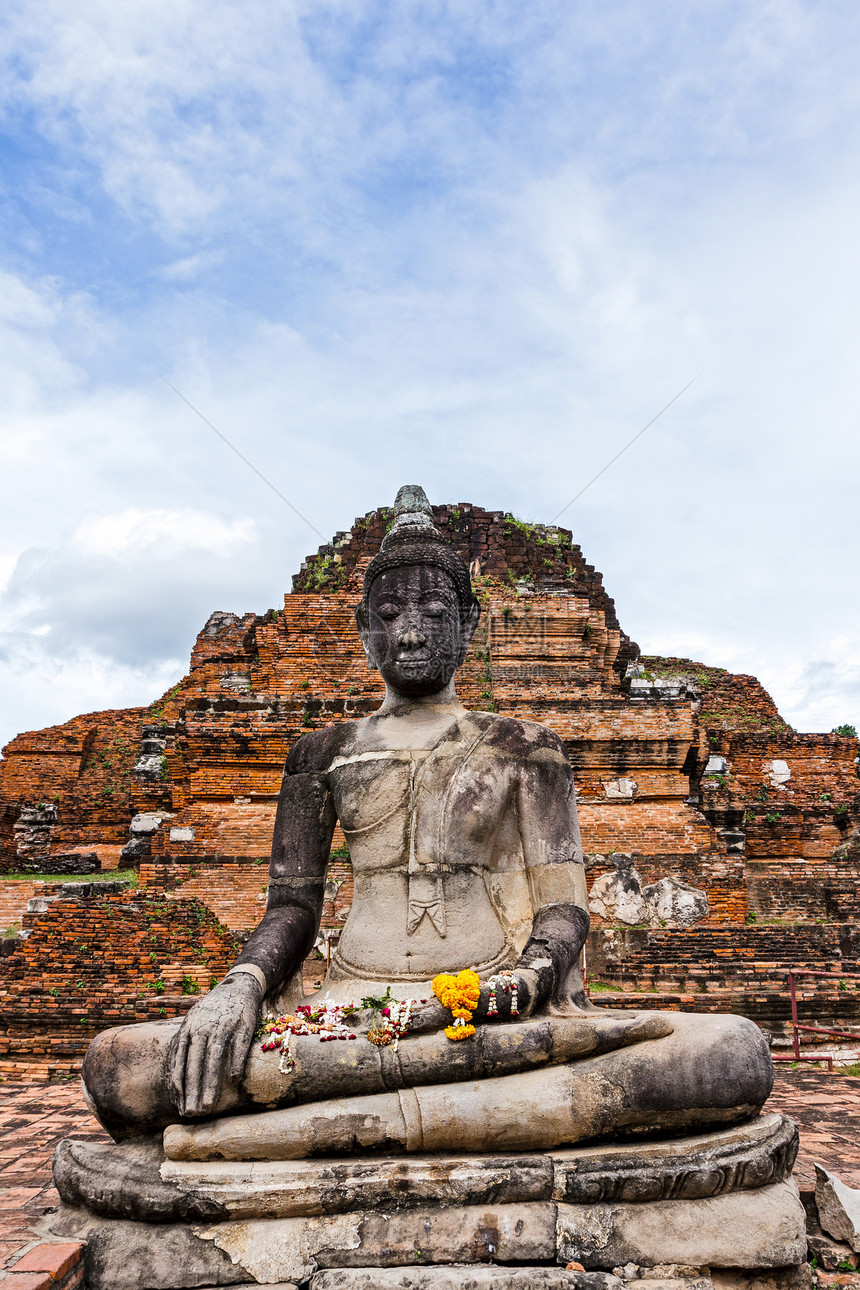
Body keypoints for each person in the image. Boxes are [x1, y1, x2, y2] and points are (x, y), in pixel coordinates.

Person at [80, 487, 771, 1154]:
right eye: (387, 612)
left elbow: (565, 907)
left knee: (729, 1053)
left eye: (436, 611)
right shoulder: (319, 754)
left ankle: (299, 1133)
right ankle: (473, 1122)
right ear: (362, 629)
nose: (409, 631)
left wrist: (527, 979)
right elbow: (293, 907)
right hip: (347, 1013)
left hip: (498, 1013)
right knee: (120, 1067)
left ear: (469, 625)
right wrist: (240, 988)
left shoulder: (524, 747)